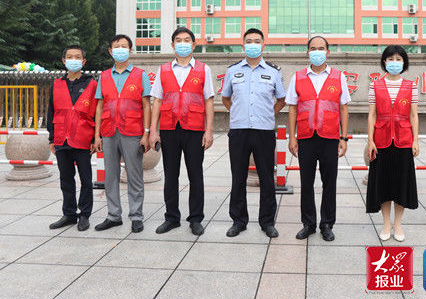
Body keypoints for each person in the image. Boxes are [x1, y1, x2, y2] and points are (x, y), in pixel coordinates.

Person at [149, 27, 215, 236]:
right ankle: (172, 218)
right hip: (169, 129)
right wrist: (153, 131)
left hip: (195, 129)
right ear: (172, 44)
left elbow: (209, 101)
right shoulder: (164, 69)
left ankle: (196, 219)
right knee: (171, 175)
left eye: (187, 40)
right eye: (179, 40)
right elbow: (157, 101)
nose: (183, 43)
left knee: (196, 175)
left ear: (194, 44)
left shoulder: (203, 69)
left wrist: (209, 130)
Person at [221, 28, 286, 238]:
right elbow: (225, 98)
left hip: (264, 131)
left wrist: (268, 114)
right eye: (248, 41)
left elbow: (282, 99)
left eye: (257, 41)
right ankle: (238, 221)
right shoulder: (232, 71)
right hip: (239, 131)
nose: (252, 44)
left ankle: (267, 222)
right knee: (238, 177)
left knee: (267, 177)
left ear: (263, 45)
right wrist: (239, 113)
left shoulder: (274, 72)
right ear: (243, 45)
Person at [286, 36, 350, 242]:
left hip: (330, 137)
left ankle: (327, 224)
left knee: (329, 182)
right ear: (307, 52)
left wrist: (344, 137)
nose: (317, 52)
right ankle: (308, 223)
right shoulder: (298, 77)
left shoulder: (338, 77)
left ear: (328, 52)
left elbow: (343, 108)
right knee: (306, 182)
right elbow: (293, 108)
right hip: (306, 137)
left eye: (321, 48)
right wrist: (292, 137)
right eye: (313, 48)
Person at [93, 35, 152, 233]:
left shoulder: (140, 74)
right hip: (109, 131)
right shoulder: (104, 76)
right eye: (116, 47)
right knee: (110, 176)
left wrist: (146, 133)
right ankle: (113, 215)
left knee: (134, 176)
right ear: (110, 51)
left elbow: (146, 104)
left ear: (130, 50)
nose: (120, 49)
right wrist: (96, 135)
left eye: (124, 46)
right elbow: (99, 106)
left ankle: (136, 216)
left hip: (132, 131)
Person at [365, 45, 419, 242]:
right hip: (381, 140)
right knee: (384, 184)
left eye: (398, 59)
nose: (394, 62)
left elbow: (414, 114)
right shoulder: (375, 85)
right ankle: (386, 223)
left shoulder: (411, 86)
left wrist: (414, 140)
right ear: (384, 62)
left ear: (404, 62)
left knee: (401, 184)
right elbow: (372, 114)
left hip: (404, 141)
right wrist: (370, 140)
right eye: (390, 59)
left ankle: (398, 225)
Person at [47, 45, 98, 231]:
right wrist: (52, 138)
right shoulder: (56, 84)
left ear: (84, 62)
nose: (73, 59)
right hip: (61, 138)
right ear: (63, 60)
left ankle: (84, 214)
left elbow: (96, 113)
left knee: (86, 179)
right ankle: (69, 214)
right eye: (70, 56)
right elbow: (51, 112)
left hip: (83, 138)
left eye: (78, 57)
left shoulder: (92, 84)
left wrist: (94, 139)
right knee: (66, 179)